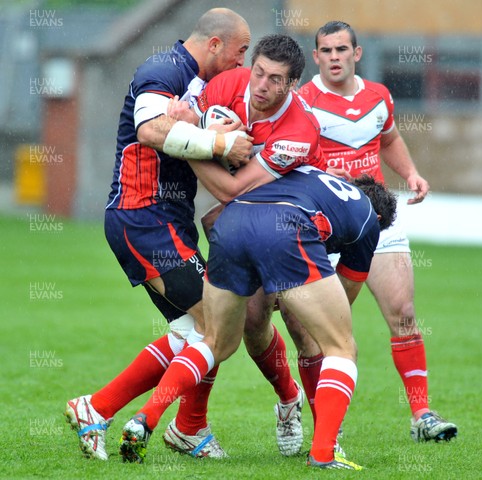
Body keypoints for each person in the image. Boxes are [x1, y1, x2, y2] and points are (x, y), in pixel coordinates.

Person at [117, 33, 327, 464]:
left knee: (302, 326)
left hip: (288, 226)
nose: (261, 85)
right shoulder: (228, 83)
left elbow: (231, 188)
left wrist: (192, 139)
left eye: (275, 80)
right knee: (242, 323)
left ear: (293, 85)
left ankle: (324, 435)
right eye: (259, 72)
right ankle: (273, 403)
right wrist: (198, 134)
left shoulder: (299, 130)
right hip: (237, 224)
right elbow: (174, 123)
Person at [64, 8, 254, 461]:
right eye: (240, 51)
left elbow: (186, 135)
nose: (241, 63)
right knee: (219, 323)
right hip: (143, 219)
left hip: (165, 219)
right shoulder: (163, 68)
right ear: (214, 44)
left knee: (194, 330)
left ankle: (99, 407)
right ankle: (185, 428)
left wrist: (211, 131)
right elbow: (150, 130)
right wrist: (221, 143)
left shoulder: (199, 85)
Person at [120, 165, 397, 470]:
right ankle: (324, 453)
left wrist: (258, 276)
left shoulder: (307, 174)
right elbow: (342, 300)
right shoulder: (369, 221)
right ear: (381, 219)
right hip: (286, 233)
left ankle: (146, 417)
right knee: (340, 344)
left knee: (214, 340)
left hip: (231, 224)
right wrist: (291, 288)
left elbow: (211, 219)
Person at [288, 21, 458, 443]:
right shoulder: (301, 101)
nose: (334, 57)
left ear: (356, 53)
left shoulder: (378, 96)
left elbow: (391, 138)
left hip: (378, 220)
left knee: (403, 314)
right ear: (315, 57)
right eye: (325, 50)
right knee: (312, 331)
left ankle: (422, 414)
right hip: (324, 226)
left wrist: (412, 173)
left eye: (341, 49)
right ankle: (326, 426)